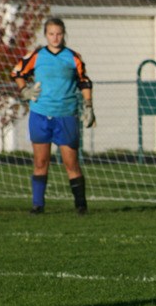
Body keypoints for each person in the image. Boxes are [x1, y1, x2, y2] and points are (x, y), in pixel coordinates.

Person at [11, 14, 94, 217]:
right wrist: (24, 90)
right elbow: (17, 73)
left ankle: (81, 206)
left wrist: (88, 106)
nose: (55, 37)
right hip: (40, 115)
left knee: (71, 163)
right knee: (40, 162)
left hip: (66, 115)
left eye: (58, 34)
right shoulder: (37, 56)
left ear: (64, 34)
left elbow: (84, 81)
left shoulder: (73, 57)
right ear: (46, 35)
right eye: (51, 34)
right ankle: (37, 205)